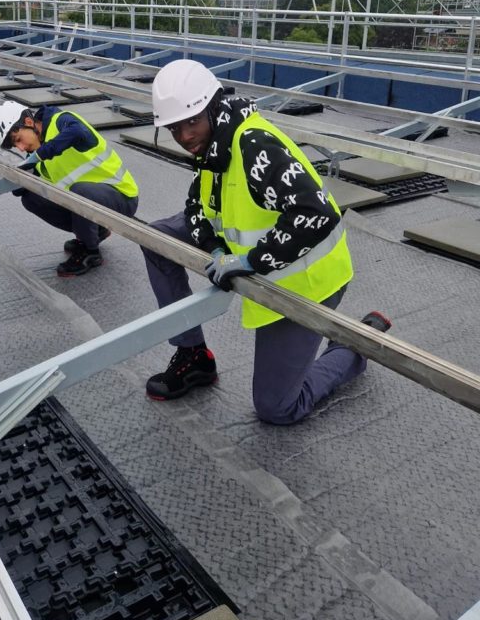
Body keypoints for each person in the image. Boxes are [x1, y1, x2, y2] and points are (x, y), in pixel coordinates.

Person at [141, 58, 387, 424]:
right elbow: (195, 207)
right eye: (175, 128)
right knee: (158, 238)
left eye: (191, 122)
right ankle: (193, 356)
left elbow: (316, 213)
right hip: (260, 259)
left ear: (213, 108)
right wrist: (215, 247)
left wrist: (252, 262)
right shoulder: (212, 144)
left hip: (306, 279)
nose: (185, 136)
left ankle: (355, 344)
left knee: (278, 407)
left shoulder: (255, 145)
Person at [0, 99, 139, 276]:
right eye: (16, 145)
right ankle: (96, 232)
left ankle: (90, 252)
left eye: (18, 139)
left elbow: (77, 132)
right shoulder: (36, 156)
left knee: (79, 191)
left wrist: (44, 152)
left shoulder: (61, 121)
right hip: (94, 204)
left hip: (121, 198)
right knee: (31, 198)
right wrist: (22, 182)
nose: (21, 148)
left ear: (29, 122)